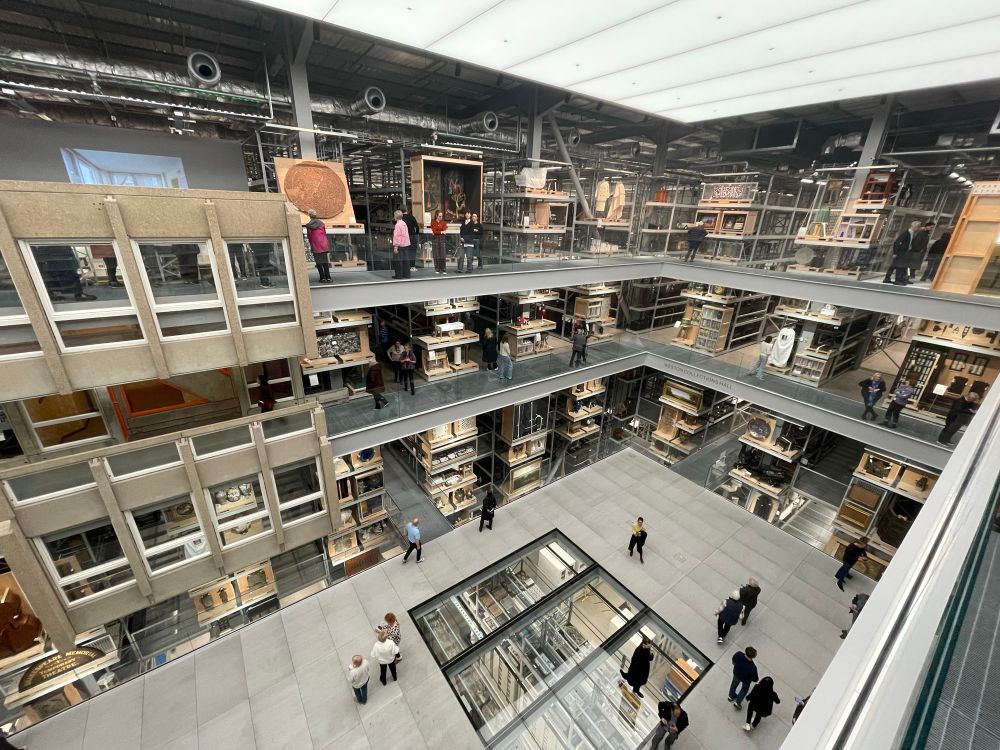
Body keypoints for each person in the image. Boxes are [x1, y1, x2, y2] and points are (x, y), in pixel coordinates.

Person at [883, 220, 920, 285]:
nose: (918, 228)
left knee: (896, 266)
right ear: (915, 226)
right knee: (899, 266)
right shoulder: (906, 233)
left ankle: (889, 278)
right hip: (901, 253)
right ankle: (897, 280)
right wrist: (895, 252)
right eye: (918, 227)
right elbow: (897, 242)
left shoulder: (911, 233)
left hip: (905, 253)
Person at [305, 209, 332, 283]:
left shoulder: (309, 225)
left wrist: (311, 243)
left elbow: (309, 236)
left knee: (318, 262)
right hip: (323, 245)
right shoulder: (322, 223)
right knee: (325, 262)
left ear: (309, 215)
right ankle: (328, 278)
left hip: (315, 245)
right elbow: (324, 233)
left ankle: (322, 278)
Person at [391, 210, 411, 279]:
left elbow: (397, 236)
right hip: (406, 244)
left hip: (400, 245)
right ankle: (407, 274)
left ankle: (399, 275)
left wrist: (396, 246)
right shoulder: (404, 223)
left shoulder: (397, 225)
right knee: (406, 260)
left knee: (398, 261)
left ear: (395, 216)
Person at [401, 205, 420, 272]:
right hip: (412, 236)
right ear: (407, 210)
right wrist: (416, 234)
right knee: (413, 252)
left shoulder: (401, 218)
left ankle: (405, 266)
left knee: (405, 252)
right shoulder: (412, 217)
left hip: (404, 237)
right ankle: (412, 266)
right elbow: (417, 227)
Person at [430, 209, 448, 274]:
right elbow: (434, 231)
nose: (441, 217)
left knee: (442, 254)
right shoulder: (433, 222)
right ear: (436, 216)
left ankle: (443, 269)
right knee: (436, 254)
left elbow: (444, 230)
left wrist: (438, 231)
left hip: (442, 239)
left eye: (441, 216)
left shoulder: (444, 222)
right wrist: (441, 231)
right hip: (435, 239)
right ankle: (437, 269)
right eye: (440, 216)